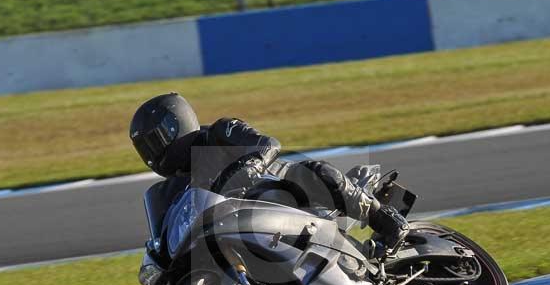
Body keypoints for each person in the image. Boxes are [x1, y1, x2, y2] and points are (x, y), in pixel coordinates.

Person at [129, 92, 410, 256]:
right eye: (145, 148)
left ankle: (386, 219)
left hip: (282, 193)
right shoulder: (172, 190)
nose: (152, 153)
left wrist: (248, 167)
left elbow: (268, 144)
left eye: (155, 141)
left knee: (312, 172)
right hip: (245, 228)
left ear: (177, 124)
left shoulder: (220, 132)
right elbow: (170, 236)